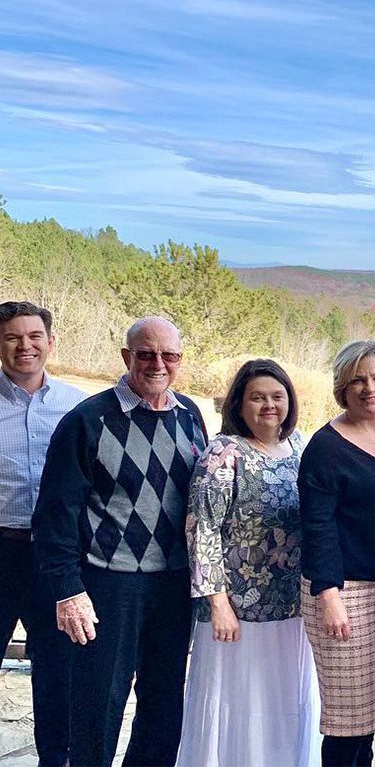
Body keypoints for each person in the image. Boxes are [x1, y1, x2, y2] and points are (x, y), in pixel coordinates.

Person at [32, 316, 208, 767]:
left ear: (180, 360)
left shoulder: (190, 416)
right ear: (126, 356)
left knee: (165, 698)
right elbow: (56, 516)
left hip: (172, 583)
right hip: (109, 583)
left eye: (169, 355)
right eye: (146, 354)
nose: (158, 364)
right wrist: (68, 591)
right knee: (97, 702)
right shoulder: (87, 421)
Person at [177, 359, 320, 766]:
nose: (269, 405)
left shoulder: (300, 448)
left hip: (292, 607)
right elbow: (201, 529)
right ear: (239, 404)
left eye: (278, 397)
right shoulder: (223, 453)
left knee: (282, 704)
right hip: (236, 613)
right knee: (237, 707)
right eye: (257, 397)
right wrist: (218, 603)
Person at [300, 340, 375, 767]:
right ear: (342, 386)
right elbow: (318, 527)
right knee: (346, 721)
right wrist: (328, 596)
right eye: (358, 380)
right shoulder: (325, 449)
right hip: (342, 592)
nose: (370, 388)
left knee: (371, 712)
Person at [0, 301, 85, 767]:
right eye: (12, 336)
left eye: (34, 336)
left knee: (58, 672)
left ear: (51, 342)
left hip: (55, 559)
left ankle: (58, 759)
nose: (24, 346)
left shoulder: (77, 406)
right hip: (0, 547)